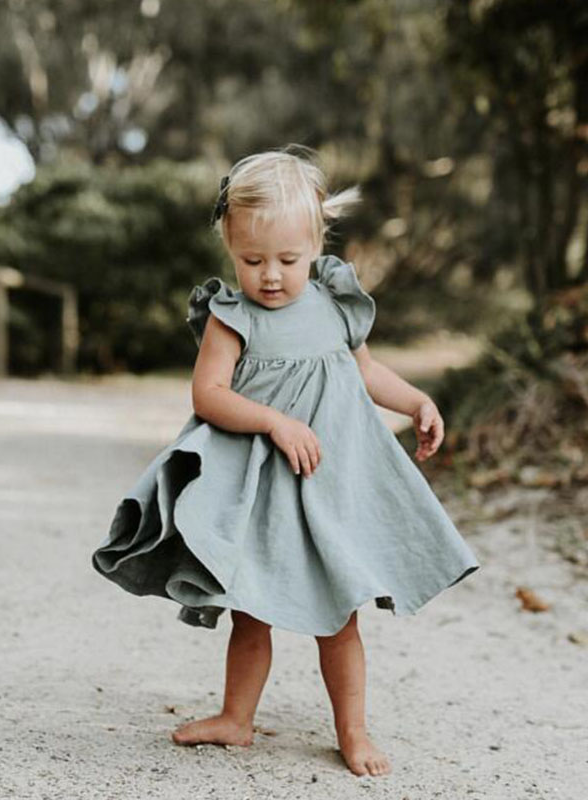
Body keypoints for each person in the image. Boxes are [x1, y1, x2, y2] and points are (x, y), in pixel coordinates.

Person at [90, 144, 480, 778]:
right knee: (252, 610)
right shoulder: (232, 315)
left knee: (339, 616)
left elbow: (367, 372)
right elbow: (208, 395)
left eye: (288, 260)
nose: (270, 275)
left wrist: (415, 402)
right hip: (265, 489)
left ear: (318, 243)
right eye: (252, 260)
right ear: (229, 248)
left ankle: (352, 731)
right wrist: (274, 419)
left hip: (330, 485)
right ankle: (236, 718)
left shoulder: (332, 301)